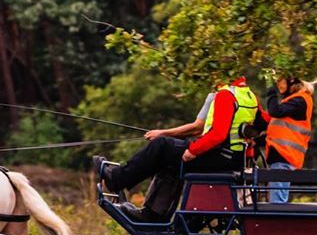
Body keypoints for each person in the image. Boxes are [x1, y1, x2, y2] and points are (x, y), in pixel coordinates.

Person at [95, 77, 260, 222]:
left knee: (162, 146)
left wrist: (193, 150)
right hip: (231, 157)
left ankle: (116, 179)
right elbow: (261, 124)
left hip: (219, 155)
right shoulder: (249, 96)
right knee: (169, 159)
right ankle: (153, 214)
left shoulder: (225, 94)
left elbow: (217, 134)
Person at [264, 75, 317, 203]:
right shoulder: (293, 101)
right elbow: (279, 128)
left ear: (292, 81)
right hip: (282, 156)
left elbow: (275, 111)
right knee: (275, 201)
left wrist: (271, 93)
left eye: (280, 81)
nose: (278, 85)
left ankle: (277, 223)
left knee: (277, 204)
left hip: (284, 156)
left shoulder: (300, 100)